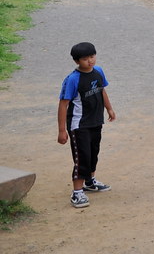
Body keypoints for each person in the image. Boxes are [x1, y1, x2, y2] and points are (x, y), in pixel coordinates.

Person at [57, 42, 116, 208]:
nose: (90, 61)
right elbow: (63, 104)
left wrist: (109, 108)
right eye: (85, 59)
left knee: (93, 153)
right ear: (77, 61)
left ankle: (90, 182)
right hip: (79, 125)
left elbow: (102, 90)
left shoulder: (98, 72)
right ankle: (77, 192)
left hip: (96, 121)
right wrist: (62, 130)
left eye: (92, 56)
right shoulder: (72, 79)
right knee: (82, 157)